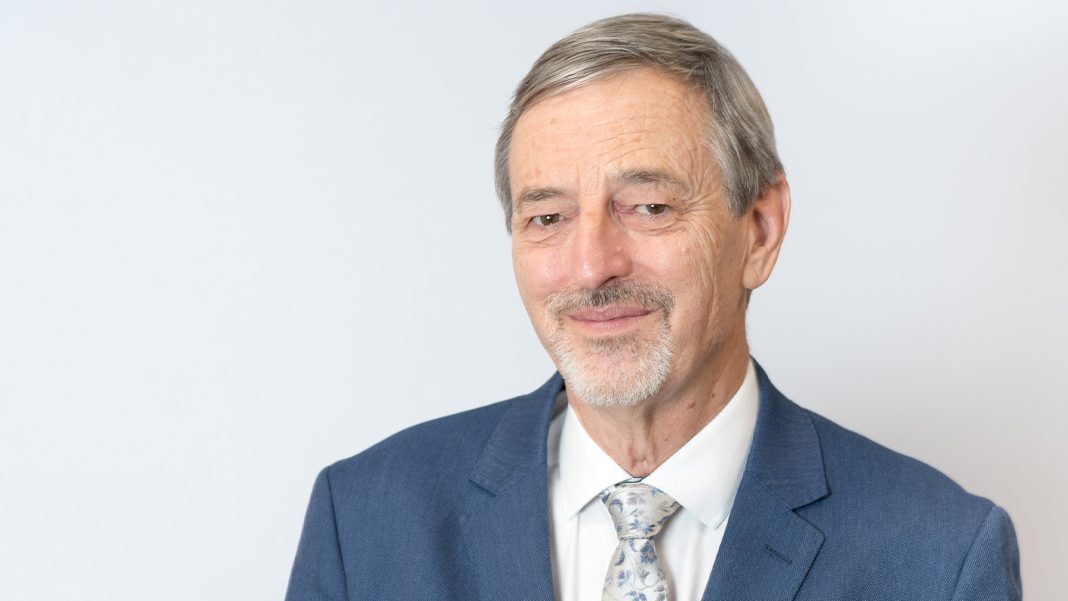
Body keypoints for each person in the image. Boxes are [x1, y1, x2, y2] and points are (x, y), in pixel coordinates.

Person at [285, 13, 1021, 601]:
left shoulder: (940, 556)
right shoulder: (366, 520)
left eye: (648, 206)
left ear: (760, 231)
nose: (591, 265)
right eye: (547, 217)